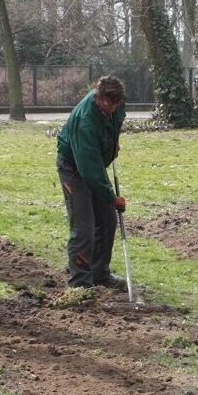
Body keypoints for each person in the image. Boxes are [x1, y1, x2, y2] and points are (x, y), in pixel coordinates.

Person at [56, 75, 128, 289]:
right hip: (74, 168)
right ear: (98, 97)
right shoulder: (85, 121)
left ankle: (100, 275)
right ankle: (80, 284)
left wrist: (112, 147)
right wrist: (111, 197)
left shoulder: (117, 104)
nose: (112, 109)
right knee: (83, 227)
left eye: (115, 105)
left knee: (107, 220)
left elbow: (114, 125)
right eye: (107, 104)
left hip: (94, 163)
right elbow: (89, 170)